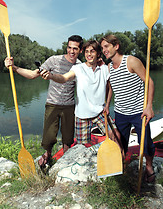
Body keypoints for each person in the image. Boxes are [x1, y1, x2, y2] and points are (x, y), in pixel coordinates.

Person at [4, 35, 83, 168]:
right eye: (69, 47)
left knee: (68, 139)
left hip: (69, 106)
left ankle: (66, 164)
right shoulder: (54, 60)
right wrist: (14, 67)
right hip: (52, 104)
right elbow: (32, 75)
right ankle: (47, 157)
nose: (71, 51)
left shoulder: (81, 66)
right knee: (48, 138)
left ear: (80, 50)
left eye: (75, 49)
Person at [41, 40, 123, 149]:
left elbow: (109, 87)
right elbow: (64, 78)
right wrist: (51, 76)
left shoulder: (104, 68)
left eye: (92, 51)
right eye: (87, 52)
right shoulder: (78, 68)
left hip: (100, 112)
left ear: (98, 54)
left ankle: (121, 160)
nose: (89, 54)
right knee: (81, 147)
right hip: (82, 115)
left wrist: (107, 104)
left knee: (115, 135)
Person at [100, 34, 155, 182]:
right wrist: (107, 103)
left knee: (146, 143)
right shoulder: (109, 67)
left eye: (106, 46)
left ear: (116, 46)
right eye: (102, 48)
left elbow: (149, 82)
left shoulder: (131, 61)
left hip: (139, 112)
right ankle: (122, 166)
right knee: (120, 142)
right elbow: (110, 86)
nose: (104, 50)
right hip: (121, 112)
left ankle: (149, 167)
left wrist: (149, 106)